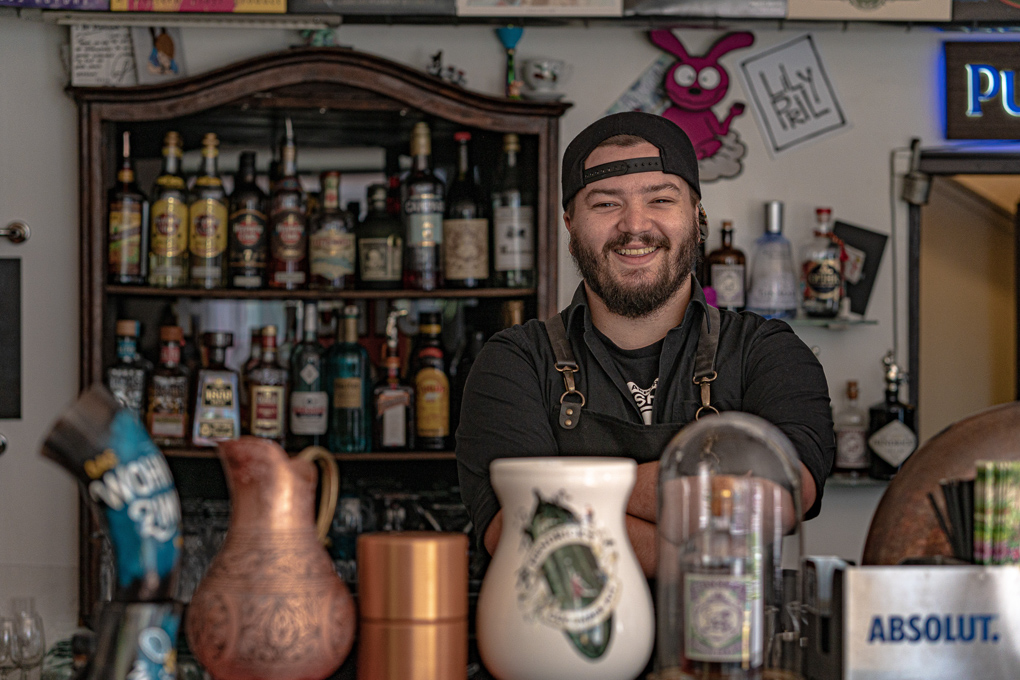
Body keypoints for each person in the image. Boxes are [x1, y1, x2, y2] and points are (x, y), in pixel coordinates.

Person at [456, 111, 834, 576]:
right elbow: (512, 527)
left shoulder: (767, 352)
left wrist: (562, 498)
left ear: (697, 217)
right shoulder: (514, 362)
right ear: (570, 225)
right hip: (563, 642)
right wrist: (711, 541)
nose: (635, 226)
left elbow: (783, 495)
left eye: (660, 199)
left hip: (728, 639)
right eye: (605, 204)